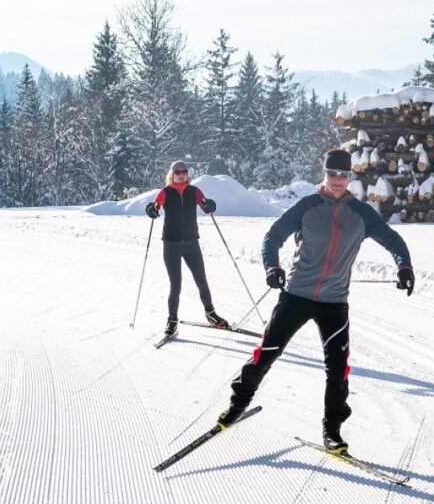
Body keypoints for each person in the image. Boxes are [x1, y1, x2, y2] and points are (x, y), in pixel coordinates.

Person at [216, 148, 415, 453]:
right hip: (296, 295)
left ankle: (332, 430)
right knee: (266, 353)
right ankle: (237, 404)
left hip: (335, 303)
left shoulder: (361, 213)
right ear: (324, 173)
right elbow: (273, 236)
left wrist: (404, 266)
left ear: (350, 177)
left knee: (338, 370)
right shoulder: (307, 206)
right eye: (333, 174)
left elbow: (394, 241)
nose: (338, 180)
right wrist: (273, 266)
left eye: (344, 175)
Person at [145, 160, 230, 337]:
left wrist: (210, 206)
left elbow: (206, 205)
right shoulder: (166, 192)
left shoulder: (194, 191)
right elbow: (155, 207)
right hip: (171, 245)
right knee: (175, 284)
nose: (181, 174)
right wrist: (151, 210)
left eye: (184, 171)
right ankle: (172, 320)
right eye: (177, 172)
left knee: (201, 280)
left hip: (192, 243)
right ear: (172, 174)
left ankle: (211, 314)